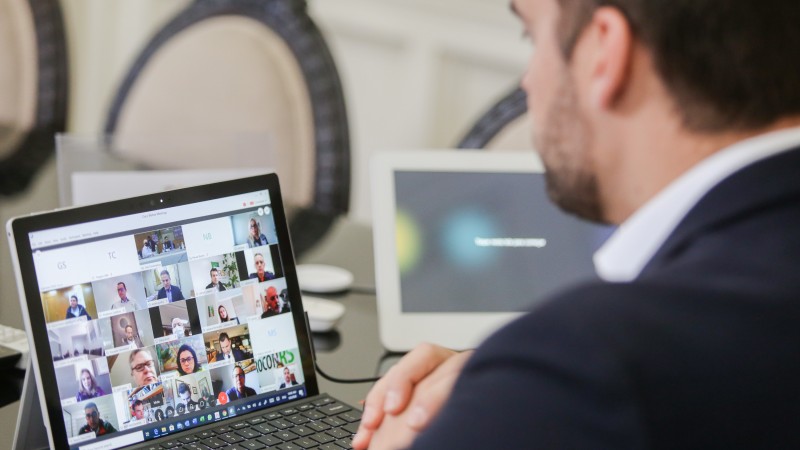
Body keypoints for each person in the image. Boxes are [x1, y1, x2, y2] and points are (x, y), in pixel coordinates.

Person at [354, 0, 800, 449]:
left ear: (604, 51)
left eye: (532, 36)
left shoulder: (584, 368)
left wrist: (518, 393)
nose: (528, 81)